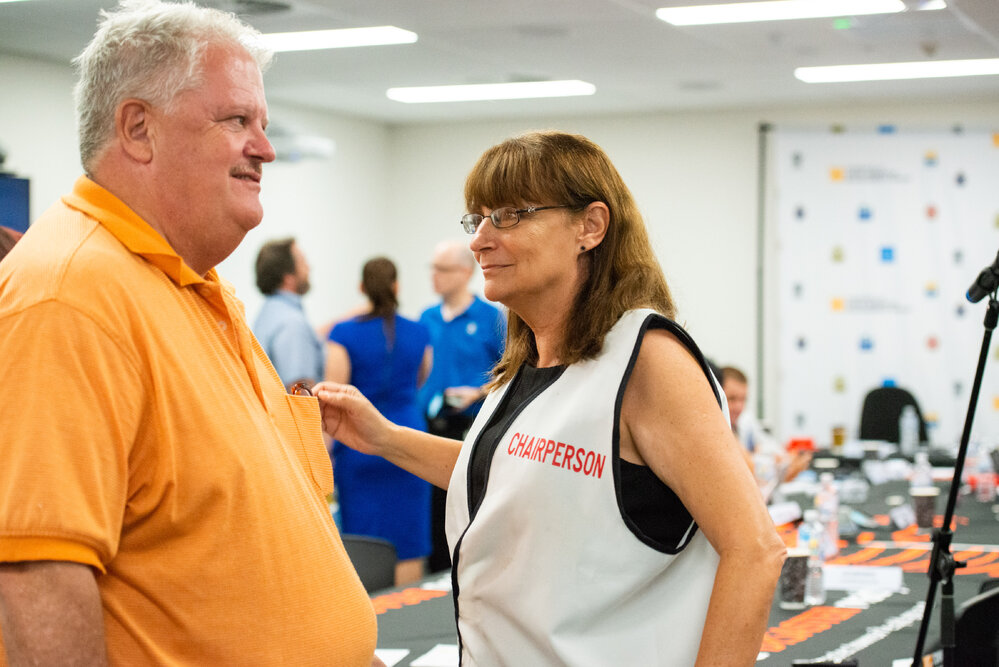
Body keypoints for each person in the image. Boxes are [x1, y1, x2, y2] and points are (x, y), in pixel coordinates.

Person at [316, 131, 786, 665]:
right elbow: (511, 473)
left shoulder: (647, 360)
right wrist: (385, 438)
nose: (480, 240)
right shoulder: (529, 362)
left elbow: (755, 550)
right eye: (478, 219)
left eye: (511, 215)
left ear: (590, 226)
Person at [0, 2, 378, 665]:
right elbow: (35, 575)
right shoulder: (69, 295)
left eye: (261, 123)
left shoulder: (197, 287)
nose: (264, 147)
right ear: (139, 128)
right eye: (236, 120)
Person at [326, 256, 433, 586]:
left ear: (362, 287)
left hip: (359, 445)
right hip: (410, 439)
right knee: (409, 541)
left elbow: (335, 393)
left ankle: (370, 618)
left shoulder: (343, 334)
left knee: (363, 539)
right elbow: (420, 379)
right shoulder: (420, 332)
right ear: (396, 286)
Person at [418, 239, 505, 572]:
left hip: (468, 430)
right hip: (429, 427)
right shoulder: (425, 318)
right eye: (433, 268)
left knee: (465, 515)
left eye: (443, 269)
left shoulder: (490, 318)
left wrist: (478, 392)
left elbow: (512, 370)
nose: (435, 276)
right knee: (434, 519)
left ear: (466, 272)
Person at [253, 237, 324, 390]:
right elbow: (299, 389)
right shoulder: (292, 323)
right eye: (303, 262)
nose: (309, 267)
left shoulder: (268, 314)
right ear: (288, 278)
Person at [721, 365, 811, 484]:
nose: (739, 407)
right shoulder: (719, 430)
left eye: (743, 400)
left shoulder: (746, 421)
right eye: (732, 399)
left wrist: (780, 458)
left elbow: (772, 447)